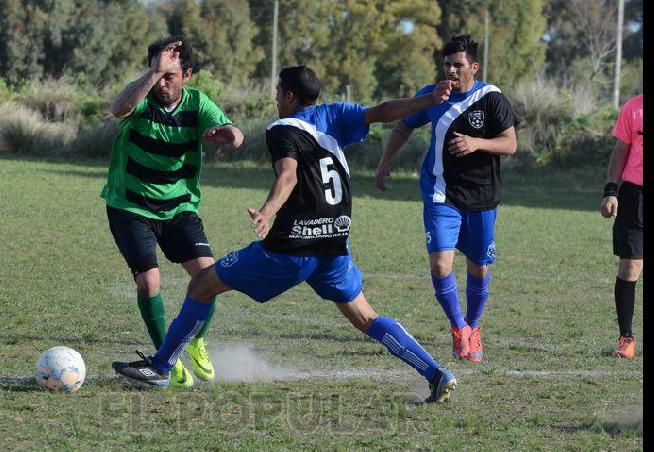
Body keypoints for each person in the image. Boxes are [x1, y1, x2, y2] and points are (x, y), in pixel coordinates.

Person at [113, 65, 460, 403]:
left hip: (293, 247)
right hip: (335, 244)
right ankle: (434, 372)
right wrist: (426, 100)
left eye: (278, 91)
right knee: (366, 317)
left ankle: (161, 367)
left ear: (290, 95)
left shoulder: (281, 129)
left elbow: (289, 176)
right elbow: (383, 111)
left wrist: (267, 211)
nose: (276, 97)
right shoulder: (336, 115)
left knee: (202, 285)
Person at [101, 35, 245, 387]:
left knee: (210, 278)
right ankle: (164, 356)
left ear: (188, 74)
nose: (163, 83)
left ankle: (194, 341)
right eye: (158, 73)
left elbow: (237, 134)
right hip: (130, 205)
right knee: (149, 280)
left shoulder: (197, 104)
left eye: (170, 75)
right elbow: (118, 108)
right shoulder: (141, 96)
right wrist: (152, 74)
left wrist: (227, 135)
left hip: (179, 207)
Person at [375, 34, 517, 363]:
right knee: (441, 265)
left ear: (474, 67)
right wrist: (385, 161)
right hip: (441, 193)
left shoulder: (491, 98)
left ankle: (474, 327)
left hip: (482, 196)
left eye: (458, 65)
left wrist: (477, 143)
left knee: (478, 267)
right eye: (447, 64)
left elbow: (510, 143)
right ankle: (458, 329)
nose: (451, 70)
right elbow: (403, 127)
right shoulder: (433, 95)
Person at [601, 94, 643, 359]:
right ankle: (626, 337)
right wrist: (611, 190)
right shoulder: (633, 107)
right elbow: (620, 149)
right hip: (634, 195)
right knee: (630, 266)